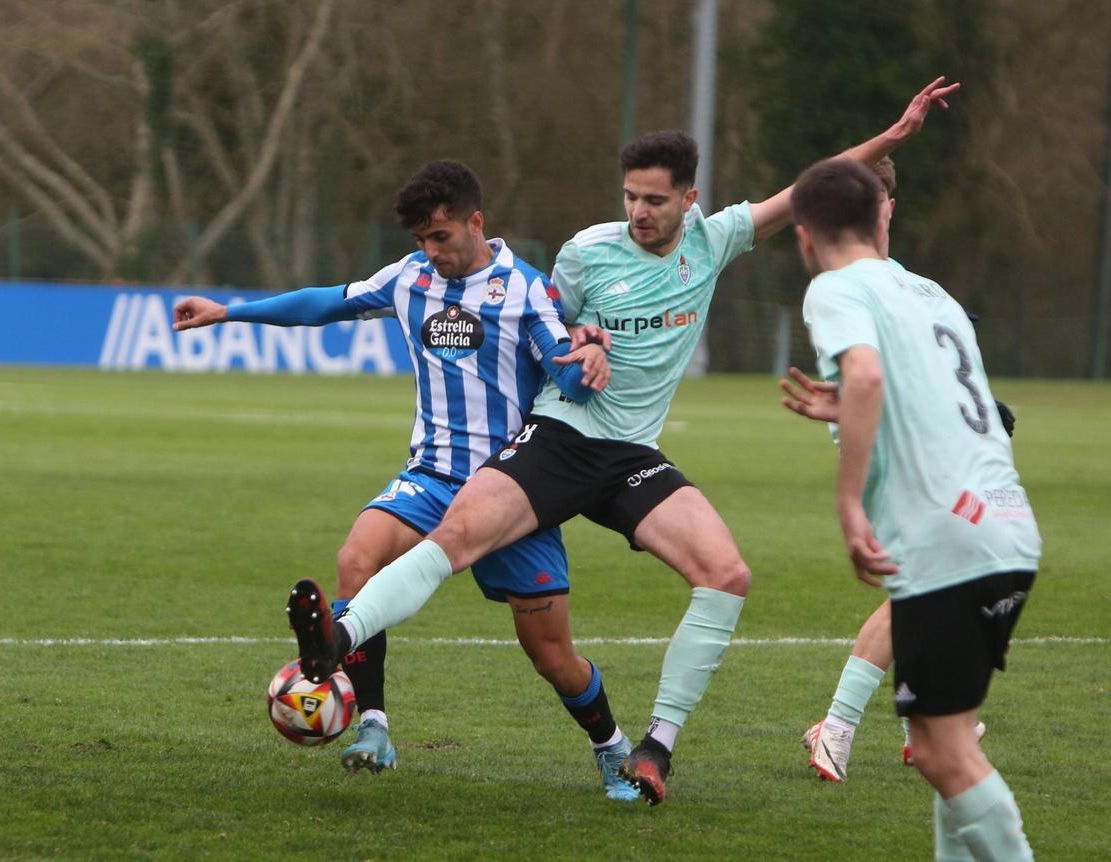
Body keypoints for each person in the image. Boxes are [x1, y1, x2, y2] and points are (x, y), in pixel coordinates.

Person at [290, 78, 960, 806]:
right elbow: (544, 332)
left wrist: (891, 139)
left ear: (689, 199)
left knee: (727, 574)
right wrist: (582, 345)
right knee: (455, 538)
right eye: (630, 197)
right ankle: (337, 639)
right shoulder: (586, 253)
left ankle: (654, 749)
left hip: (631, 459)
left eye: (654, 199)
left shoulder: (714, 241)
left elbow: (810, 190)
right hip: (561, 438)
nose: (638, 212)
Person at [173, 160, 643, 802]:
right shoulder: (408, 279)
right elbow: (327, 304)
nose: (430, 251)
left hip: (512, 491)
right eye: (421, 239)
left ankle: (611, 748)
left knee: (553, 657)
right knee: (355, 558)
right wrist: (229, 312)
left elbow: (565, 381)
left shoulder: (526, 290)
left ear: (476, 222)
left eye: (441, 237)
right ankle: (373, 727)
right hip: (430, 475)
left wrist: (589, 357)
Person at [792, 156, 1040, 860]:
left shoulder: (833, 288)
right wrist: (848, 403)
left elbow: (867, 372)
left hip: (945, 539)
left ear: (805, 238)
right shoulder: (930, 293)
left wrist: (848, 504)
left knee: (942, 756)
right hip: (1007, 525)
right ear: (881, 217)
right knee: (946, 747)